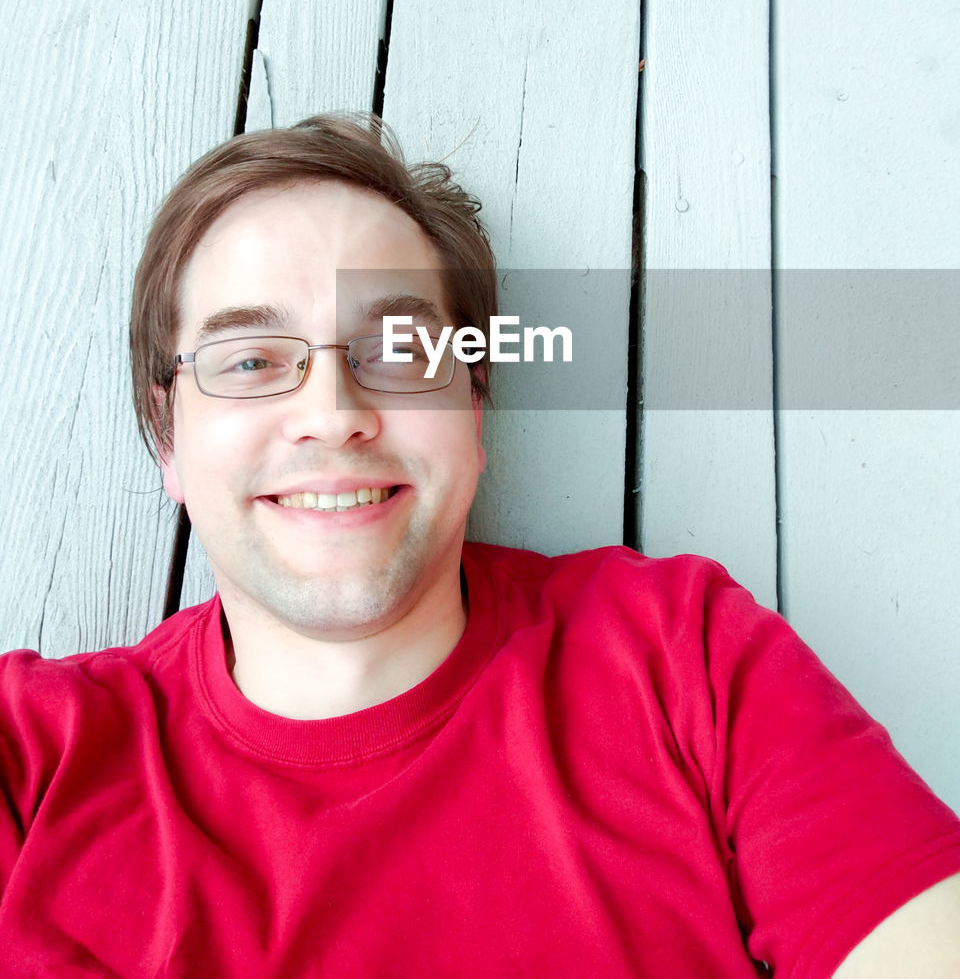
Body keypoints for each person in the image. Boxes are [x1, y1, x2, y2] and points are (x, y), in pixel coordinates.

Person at [0, 113, 958, 977]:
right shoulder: (29, 762)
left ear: (474, 402)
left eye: (405, 353)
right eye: (250, 361)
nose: (332, 416)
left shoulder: (682, 657)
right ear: (166, 437)